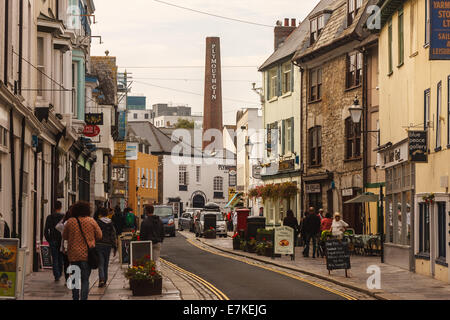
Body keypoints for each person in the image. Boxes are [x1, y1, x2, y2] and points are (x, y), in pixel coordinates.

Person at [63, 201, 102, 301]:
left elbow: (64, 236)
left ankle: (75, 298)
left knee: (75, 279)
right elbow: (99, 235)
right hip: (86, 255)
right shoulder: (91, 221)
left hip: (74, 255)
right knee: (85, 280)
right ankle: (84, 298)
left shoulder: (71, 221)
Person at [95, 207, 117, 288]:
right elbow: (113, 235)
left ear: (100, 214)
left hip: (99, 244)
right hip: (108, 244)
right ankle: (105, 279)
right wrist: (115, 246)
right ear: (107, 214)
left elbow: (95, 233)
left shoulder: (97, 222)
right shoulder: (110, 223)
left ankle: (101, 279)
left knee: (100, 262)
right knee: (106, 263)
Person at [44, 201, 65, 281]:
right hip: (61, 239)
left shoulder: (49, 217)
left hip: (53, 239)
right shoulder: (63, 217)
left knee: (55, 258)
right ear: (60, 207)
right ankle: (59, 272)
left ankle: (56, 275)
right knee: (60, 257)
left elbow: (46, 230)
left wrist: (48, 239)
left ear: (53, 207)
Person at [140, 205, 165, 271]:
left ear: (146, 211)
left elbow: (142, 235)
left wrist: (142, 242)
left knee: (147, 261)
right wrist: (160, 240)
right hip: (157, 243)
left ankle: (149, 274)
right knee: (156, 260)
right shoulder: (160, 221)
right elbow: (163, 233)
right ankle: (156, 273)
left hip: (147, 243)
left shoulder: (145, 222)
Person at [55, 206, 73, 282]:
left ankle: (67, 279)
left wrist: (63, 220)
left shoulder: (64, 224)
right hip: (73, 246)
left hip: (65, 246)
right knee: (73, 263)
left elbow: (57, 227)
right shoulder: (74, 223)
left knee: (66, 263)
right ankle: (72, 278)